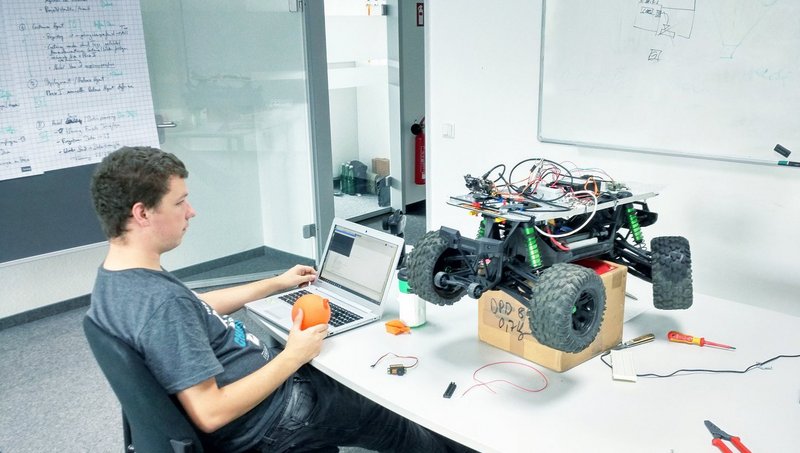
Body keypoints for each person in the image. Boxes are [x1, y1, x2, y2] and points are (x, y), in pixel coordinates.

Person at [88, 146, 470, 453]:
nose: (191, 211)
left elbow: (196, 307)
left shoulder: (116, 280)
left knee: (333, 362)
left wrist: (273, 283)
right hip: (272, 421)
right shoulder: (161, 306)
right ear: (141, 214)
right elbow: (210, 413)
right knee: (386, 413)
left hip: (264, 401)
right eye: (179, 202)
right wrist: (293, 356)